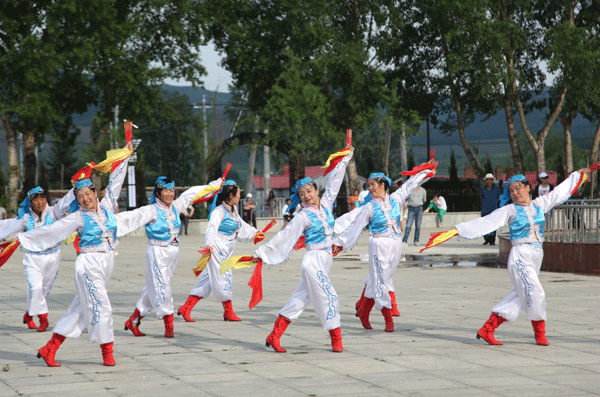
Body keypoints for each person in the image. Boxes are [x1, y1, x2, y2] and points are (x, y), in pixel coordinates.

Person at [431, 168, 590, 346]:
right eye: (512, 190)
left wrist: (579, 174)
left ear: (528, 188)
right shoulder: (510, 210)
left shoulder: (539, 205)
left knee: (520, 296)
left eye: (518, 188)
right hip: (520, 255)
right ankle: (539, 333)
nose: (515, 193)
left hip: (536, 254)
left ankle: (487, 329)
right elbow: (486, 222)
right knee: (535, 291)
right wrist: (456, 230)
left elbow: (560, 192)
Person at [17, 143, 134, 367]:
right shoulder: (77, 217)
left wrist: (126, 153)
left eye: (87, 193)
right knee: (102, 305)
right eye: (79, 196)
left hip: (106, 261)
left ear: (96, 193)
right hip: (88, 265)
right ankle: (107, 350)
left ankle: (50, 348)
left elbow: (116, 180)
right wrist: (22, 239)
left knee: (79, 309)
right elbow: (50, 231)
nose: (84, 198)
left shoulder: (107, 206)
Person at [253, 146, 353, 353]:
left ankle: (274, 335)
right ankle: (336, 338)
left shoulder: (326, 205)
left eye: (309, 191)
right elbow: (285, 237)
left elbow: (334, 182)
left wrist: (344, 158)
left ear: (316, 190)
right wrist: (261, 253)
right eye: (302, 194)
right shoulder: (303, 216)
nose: (306, 196)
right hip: (313, 261)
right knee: (329, 296)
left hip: (325, 259)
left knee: (300, 299)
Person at [333, 163, 436, 332]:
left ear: (382, 185)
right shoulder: (368, 207)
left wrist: (427, 173)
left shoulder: (395, 199)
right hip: (378, 244)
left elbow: (410, 184)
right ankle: (388, 318)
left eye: (373, 184)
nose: (370, 188)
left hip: (395, 244)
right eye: (369, 185)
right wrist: (339, 243)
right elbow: (355, 227)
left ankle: (364, 310)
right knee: (380, 280)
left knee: (382, 279)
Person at [121, 176, 222, 338]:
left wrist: (214, 185)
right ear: (158, 193)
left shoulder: (176, 206)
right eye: (165, 190)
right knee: (163, 288)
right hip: (157, 252)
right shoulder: (151, 210)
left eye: (171, 190)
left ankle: (133, 320)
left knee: (154, 287)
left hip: (173, 252)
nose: (169, 194)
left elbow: (191, 194)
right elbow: (129, 218)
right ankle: (169, 325)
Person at [177, 181, 263, 323]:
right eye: (238, 193)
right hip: (217, 248)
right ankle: (228, 312)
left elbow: (242, 226)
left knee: (208, 280)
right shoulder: (219, 211)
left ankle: (186, 307)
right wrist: (209, 244)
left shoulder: (233, 210)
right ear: (231, 195)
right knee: (225, 276)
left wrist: (256, 233)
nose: (240, 195)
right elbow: (211, 228)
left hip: (226, 249)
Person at [0, 186, 74, 331]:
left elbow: (66, 200)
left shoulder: (54, 213)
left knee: (43, 291)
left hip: (52, 257)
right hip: (32, 258)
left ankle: (29, 315)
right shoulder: (26, 219)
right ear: (30, 202)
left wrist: (78, 184)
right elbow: (6, 226)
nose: (40, 202)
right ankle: (43, 319)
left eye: (42, 198)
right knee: (35, 288)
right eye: (36, 200)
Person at [481, 173, 501, 245]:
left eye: (490, 180)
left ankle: (492, 240)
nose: (489, 181)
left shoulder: (496, 189)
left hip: (493, 209)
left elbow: (499, 198)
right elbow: (482, 198)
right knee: (484, 225)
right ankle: (486, 239)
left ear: (492, 180)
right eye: (487, 180)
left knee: (493, 225)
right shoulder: (483, 189)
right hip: (485, 209)